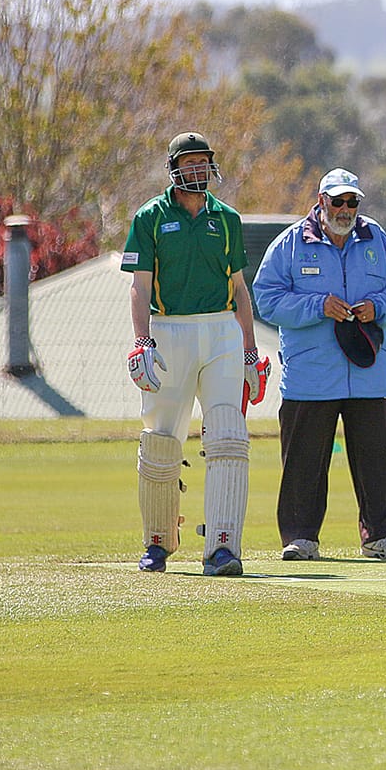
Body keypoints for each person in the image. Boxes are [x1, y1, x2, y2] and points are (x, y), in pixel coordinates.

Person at [252, 168, 386, 562]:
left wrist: (378, 306)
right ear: (321, 200)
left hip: (369, 371)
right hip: (310, 377)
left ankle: (382, 536)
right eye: (338, 201)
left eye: (352, 202)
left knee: (379, 463)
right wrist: (317, 306)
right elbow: (266, 299)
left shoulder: (376, 237)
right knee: (303, 465)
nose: (345, 209)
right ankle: (300, 538)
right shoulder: (291, 244)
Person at [122, 132, 268, 576]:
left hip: (221, 330)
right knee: (162, 439)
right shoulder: (149, 217)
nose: (198, 170)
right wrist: (142, 340)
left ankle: (223, 548)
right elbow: (140, 285)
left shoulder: (226, 218)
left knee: (228, 434)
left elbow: (239, 289)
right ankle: (158, 543)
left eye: (204, 162)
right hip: (169, 331)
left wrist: (249, 349)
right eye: (190, 163)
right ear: (174, 168)